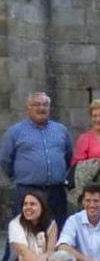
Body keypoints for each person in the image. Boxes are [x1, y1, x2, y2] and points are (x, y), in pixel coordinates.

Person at [0, 92, 73, 225]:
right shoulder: (15, 132)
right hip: (28, 191)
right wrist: (18, 177)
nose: (41, 108)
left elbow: (68, 156)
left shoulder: (61, 130)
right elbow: (5, 159)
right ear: (28, 108)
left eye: (45, 105)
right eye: (36, 105)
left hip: (56, 192)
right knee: (26, 231)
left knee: (58, 230)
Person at [4, 191, 57, 261]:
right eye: (25, 204)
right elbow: (24, 252)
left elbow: (50, 251)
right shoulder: (15, 224)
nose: (28, 207)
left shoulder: (51, 223)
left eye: (32, 204)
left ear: (42, 207)